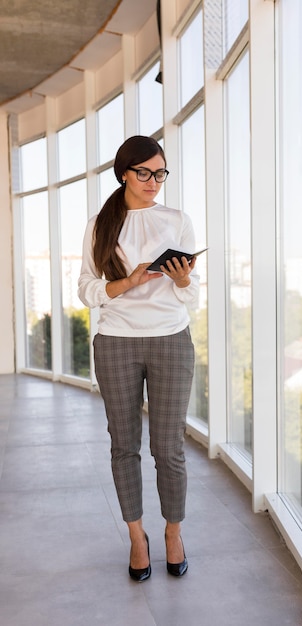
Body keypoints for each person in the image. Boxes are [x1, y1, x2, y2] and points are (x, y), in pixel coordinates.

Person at [78, 135, 199, 581]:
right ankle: (136, 537)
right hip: (117, 342)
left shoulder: (177, 220)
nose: (154, 181)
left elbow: (194, 296)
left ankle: (172, 533)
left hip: (171, 339)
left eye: (161, 173)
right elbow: (87, 289)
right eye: (145, 172)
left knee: (169, 449)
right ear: (124, 173)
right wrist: (126, 284)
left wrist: (184, 280)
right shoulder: (100, 225)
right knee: (124, 445)